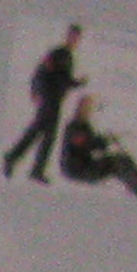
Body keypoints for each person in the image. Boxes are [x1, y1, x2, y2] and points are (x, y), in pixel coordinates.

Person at [9, 24, 85, 179]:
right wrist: (36, 91)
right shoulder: (59, 53)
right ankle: (15, 160)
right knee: (40, 133)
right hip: (49, 99)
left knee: (43, 134)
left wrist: (73, 83)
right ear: (68, 36)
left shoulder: (67, 55)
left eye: (77, 38)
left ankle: (33, 168)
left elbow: (59, 77)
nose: (74, 40)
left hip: (54, 100)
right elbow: (46, 73)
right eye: (73, 36)